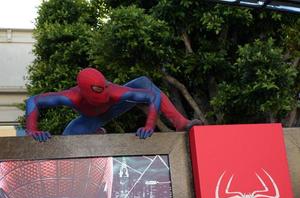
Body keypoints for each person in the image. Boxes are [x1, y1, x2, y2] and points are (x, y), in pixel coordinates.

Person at [26, 67, 202, 142]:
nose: (102, 96)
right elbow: (33, 100)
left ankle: (180, 122)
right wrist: (32, 130)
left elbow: (152, 97)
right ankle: (94, 134)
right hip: (90, 121)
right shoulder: (71, 96)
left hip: (116, 106)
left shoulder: (115, 91)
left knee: (143, 82)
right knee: (67, 141)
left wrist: (149, 125)